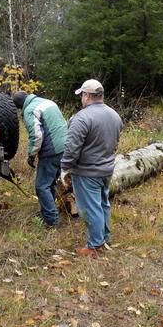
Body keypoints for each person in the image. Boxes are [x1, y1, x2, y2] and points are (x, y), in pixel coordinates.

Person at [60, 79, 123, 257]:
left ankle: (95, 246)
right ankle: (104, 237)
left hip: (87, 172)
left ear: (87, 95)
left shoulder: (82, 118)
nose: (81, 98)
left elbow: (71, 148)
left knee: (89, 208)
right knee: (103, 204)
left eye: (82, 95)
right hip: (107, 169)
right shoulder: (114, 115)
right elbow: (115, 143)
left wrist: (65, 168)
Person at [13, 91, 67, 227]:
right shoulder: (48, 102)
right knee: (51, 182)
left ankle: (51, 220)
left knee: (41, 186)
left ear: (19, 106)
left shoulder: (30, 110)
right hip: (66, 147)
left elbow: (37, 136)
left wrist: (31, 155)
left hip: (52, 151)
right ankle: (47, 212)